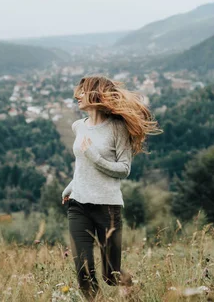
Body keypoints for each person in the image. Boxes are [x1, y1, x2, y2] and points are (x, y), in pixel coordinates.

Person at [61, 75, 161, 300]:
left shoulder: (117, 128)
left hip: (108, 208)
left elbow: (124, 169)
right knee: (83, 271)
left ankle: (133, 293)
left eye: (82, 92)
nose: (76, 96)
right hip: (79, 205)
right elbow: (82, 166)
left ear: (96, 94)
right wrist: (71, 186)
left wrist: (94, 156)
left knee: (111, 275)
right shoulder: (79, 126)